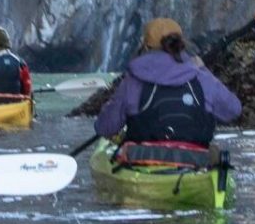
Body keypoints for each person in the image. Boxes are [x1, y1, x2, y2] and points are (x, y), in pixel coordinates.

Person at [94, 17, 241, 150]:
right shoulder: (201, 77)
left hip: (141, 162)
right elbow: (233, 110)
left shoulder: (132, 81)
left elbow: (104, 127)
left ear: (145, 47)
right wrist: (203, 69)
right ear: (181, 44)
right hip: (194, 162)